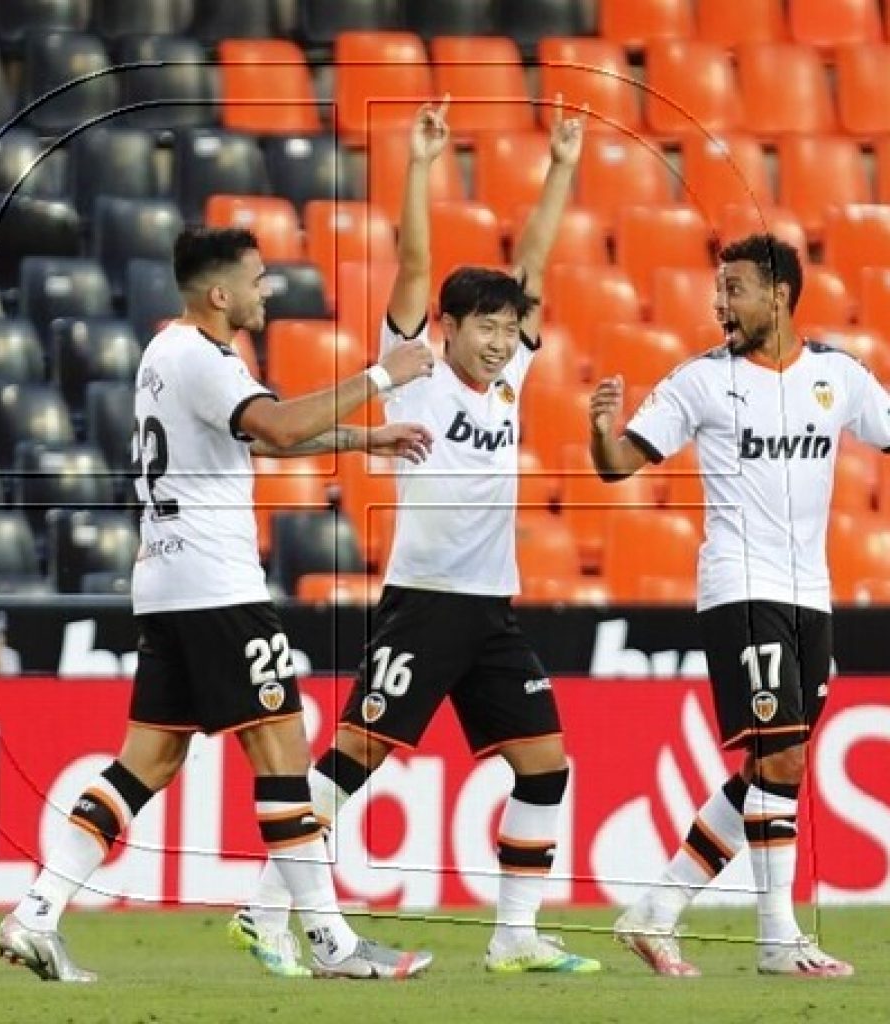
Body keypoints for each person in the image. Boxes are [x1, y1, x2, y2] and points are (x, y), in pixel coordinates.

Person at [0, 225, 439, 983]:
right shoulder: (201, 358)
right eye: (258, 280)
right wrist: (381, 375)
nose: (268, 291)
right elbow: (275, 424)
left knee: (149, 759)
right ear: (220, 293)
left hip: (168, 583)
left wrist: (363, 440)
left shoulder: (170, 354)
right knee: (283, 752)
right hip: (216, 585)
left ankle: (35, 913)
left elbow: (256, 441)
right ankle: (330, 940)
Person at [235, 96, 600, 975]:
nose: (502, 341)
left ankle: (515, 935)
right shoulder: (416, 373)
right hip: (426, 603)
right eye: (486, 327)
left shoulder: (511, 379)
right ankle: (263, 908)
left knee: (546, 766)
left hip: (491, 610)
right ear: (449, 326)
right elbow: (414, 263)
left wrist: (560, 167)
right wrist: (421, 164)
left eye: (510, 328)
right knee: (354, 757)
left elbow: (537, 258)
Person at [591, 233, 890, 978]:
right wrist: (600, 432)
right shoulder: (701, 381)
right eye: (718, 289)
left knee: (771, 764)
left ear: (779, 295)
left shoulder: (837, 377)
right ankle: (777, 937)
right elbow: (618, 464)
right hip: (740, 587)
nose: (720, 303)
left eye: (735, 289)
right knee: (781, 756)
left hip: (810, 596)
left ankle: (656, 909)